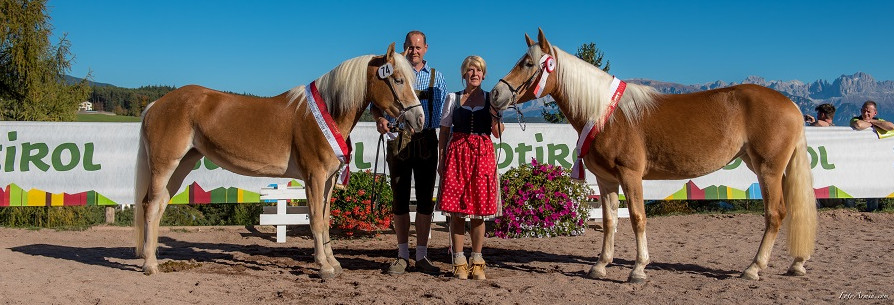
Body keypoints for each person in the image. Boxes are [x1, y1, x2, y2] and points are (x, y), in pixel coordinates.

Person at [371, 30, 447, 275]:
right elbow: (375, 105)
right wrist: (380, 119)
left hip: (426, 140)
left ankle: (422, 255)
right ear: (404, 48)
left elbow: (446, 118)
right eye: (410, 47)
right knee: (400, 199)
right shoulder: (395, 73)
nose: (414, 51)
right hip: (398, 139)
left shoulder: (438, 78)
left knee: (426, 200)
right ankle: (402, 255)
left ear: (426, 48)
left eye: (418, 47)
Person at [437, 55, 504, 280]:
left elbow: (498, 133)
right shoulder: (452, 98)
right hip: (457, 154)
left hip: (482, 154)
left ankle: (477, 260)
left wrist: (496, 116)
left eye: (478, 71)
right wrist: (441, 159)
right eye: (470, 70)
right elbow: (444, 131)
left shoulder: (491, 99)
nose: (474, 74)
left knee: (478, 213)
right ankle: (458, 260)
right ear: (464, 74)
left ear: (484, 75)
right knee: (457, 212)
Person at [849, 100, 892, 212]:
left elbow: (890, 126)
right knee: (850, 183)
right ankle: (850, 209)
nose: (865, 114)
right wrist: (874, 124)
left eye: (868, 111)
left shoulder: (879, 120)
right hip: (855, 160)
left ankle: (872, 210)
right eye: (863, 111)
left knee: (872, 184)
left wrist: (870, 122)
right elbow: (858, 125)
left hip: (873, 161)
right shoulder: (855, 119)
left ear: (875, 113)